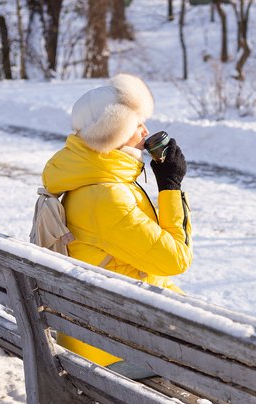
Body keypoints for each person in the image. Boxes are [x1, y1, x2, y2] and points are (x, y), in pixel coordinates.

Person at [41, 73, 192, 376]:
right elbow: (176, 260)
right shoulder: (107, 196)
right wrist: (171, 188)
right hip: (114, 352)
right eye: (137, 125)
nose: (146, 131)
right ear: (114, 133)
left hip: (102, 331)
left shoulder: (90, 177)